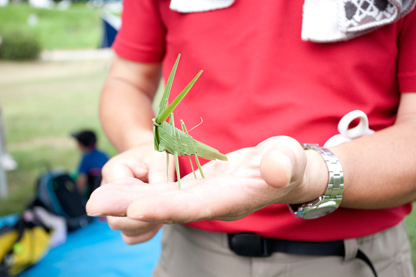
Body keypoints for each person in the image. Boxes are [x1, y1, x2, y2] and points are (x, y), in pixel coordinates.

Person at [86, 1, 416, 276]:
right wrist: (143, 144)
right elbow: (126, 81)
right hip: (189, 251)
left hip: (351, 257)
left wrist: (316, 172)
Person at [71, 130, 109, 198]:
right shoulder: (103, 154)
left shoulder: (86, 158)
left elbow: (81, 184)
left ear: (80, 144)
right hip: (107, 190)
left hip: (95, 194)